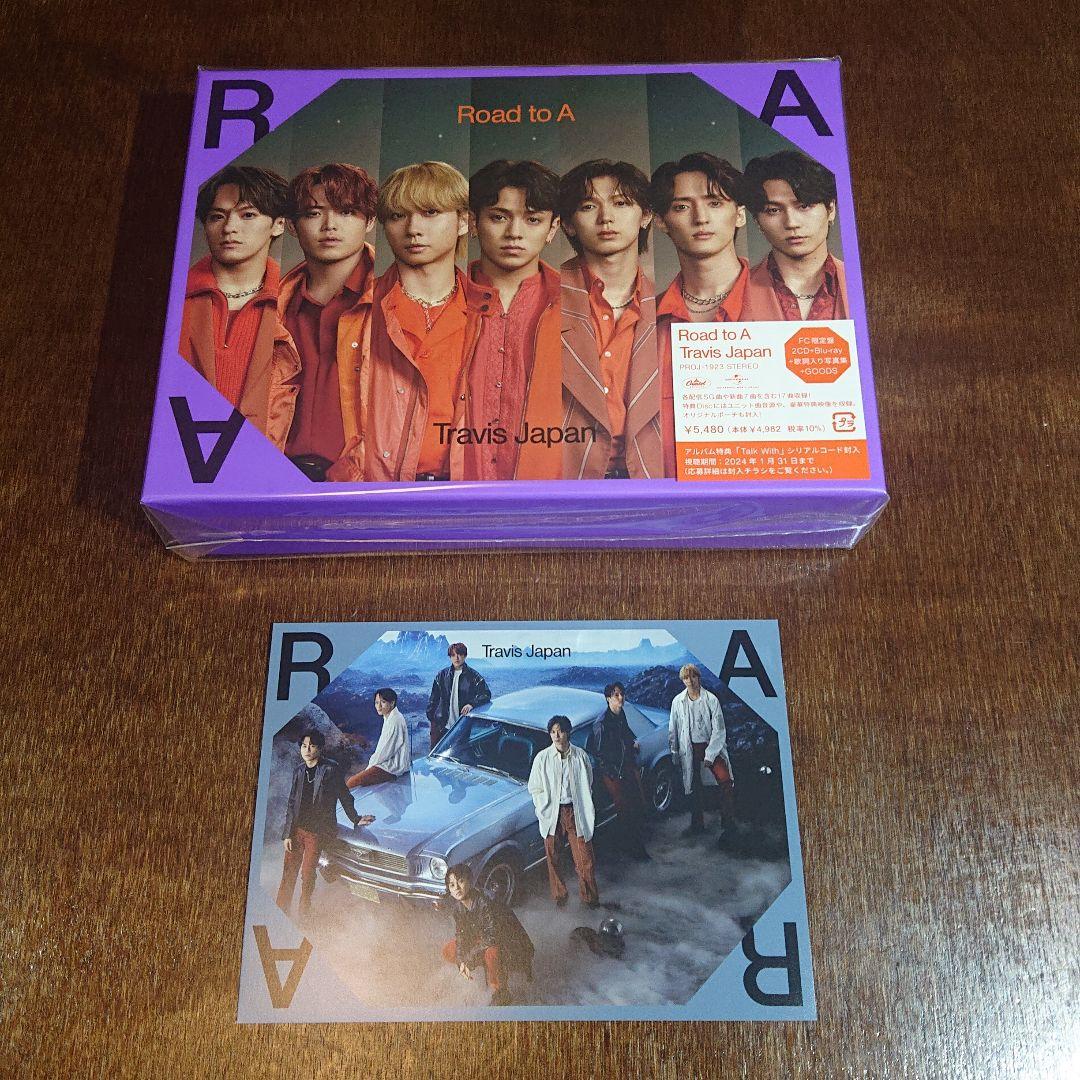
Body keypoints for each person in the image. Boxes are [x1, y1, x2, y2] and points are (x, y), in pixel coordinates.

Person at [366, 161, 484, 481]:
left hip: (467, 492)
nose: (413, 228)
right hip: (379, 491)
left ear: (464, 221)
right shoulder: (360, 310)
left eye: (430, 212)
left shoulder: (490, 313)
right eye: (397, 215)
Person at [179, 165, 302, 448]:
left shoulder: (294, 302)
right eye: (217, 216)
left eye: (247, 215)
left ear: (278, 224)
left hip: (261, 463)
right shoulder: (176, 302)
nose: (229, 228)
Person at [557, 160, 662, 480]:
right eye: (589, 206)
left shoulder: (667, 304)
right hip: (565, 480)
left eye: (621, 203)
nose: (606, 218)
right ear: (568, 224)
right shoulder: (544, 297)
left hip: (647, 480)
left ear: (646, 216)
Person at [461, 159, 564, 480]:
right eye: (498, 217)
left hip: (544, 491)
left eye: (533, 220)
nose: (514, 233)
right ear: (473, 222)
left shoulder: (575, 304)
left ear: (553, 228)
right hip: (457, 489)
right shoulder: (445, 297)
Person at [277, 163, 379, 481]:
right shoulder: (274, 305)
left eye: (346, 212)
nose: (330, 226)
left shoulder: (396, 298)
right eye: (313, 213)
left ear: (370, 221)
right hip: (278, 480)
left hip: (361, 483)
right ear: (291, 225)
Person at [651, 153, 750, 476]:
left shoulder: (782, 304)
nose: (701, 218)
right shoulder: (644, 323)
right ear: (661, 221)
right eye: (682, 207)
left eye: (715, 203)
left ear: (740, 214)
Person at [740, 150, 850, 321]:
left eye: (804, 206)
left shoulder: (860, 284)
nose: (791, 223)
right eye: (773, 210)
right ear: (757, 220)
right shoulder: (737, 294)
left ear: (831, 209)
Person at [276, 729, 373, 918]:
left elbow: (344, 795)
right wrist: (287, 833)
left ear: (320, 748)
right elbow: (291, 803)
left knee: (307, 874)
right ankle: (281, 911)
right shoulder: (299, 770)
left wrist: (355, 818)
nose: (307, 750)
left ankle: (304, 911)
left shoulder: (330, 769)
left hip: (316, 833)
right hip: (296, 831)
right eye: (304, 746)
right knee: (288, 872)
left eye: (312, 746)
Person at [528, 715, 600, 908]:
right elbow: (534, 787)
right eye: (553, 732)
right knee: (553, 857)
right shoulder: (542, 758)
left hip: (575, 811)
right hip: (553, 813)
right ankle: (560, 895)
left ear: (568, 732)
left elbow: (588, 782)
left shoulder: (580, 756)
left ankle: (590, 898)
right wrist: (543, 807)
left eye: (560, 731)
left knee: (584, 858)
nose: (557, 735)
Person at [439, 863, 535, 1006]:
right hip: (484, 939)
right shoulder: (458, 908)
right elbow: (461, 935)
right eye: (452, 885)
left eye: (460, 881)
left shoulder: (486, 901)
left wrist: (470, 957)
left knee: (491, 953)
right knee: (449, 950)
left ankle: (501, 992)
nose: (457, 888)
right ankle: (484, 967)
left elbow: (493, 937)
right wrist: (462, 961)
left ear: (470, 881)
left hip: (508, 941)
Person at [668, 664, 734, 840]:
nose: (690, 681)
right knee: (694, 785)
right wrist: (675, 752)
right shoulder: (677, 702)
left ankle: (728, 823)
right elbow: (673, 730)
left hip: (711, 745)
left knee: (725, 781)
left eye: (693, 676)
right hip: (689, 748)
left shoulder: (711, 699)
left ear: (698, 677)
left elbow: (719, 730)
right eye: (686, 678)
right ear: (683, 680)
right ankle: (697, 824)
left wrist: (710, 754)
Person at [585, 682, 650, 860]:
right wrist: (614, 774)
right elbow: (599, 755)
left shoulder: (620, 714)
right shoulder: (601, 724)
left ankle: (633, 843)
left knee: (637, 803)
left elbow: (625, 734)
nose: (620, 698)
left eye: (622, 694)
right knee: (625, 808)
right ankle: (633, 848)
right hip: (613, 772)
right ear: (608, 699)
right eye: (616, 695)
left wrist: (632, 742)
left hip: (626, 765)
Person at [426, 642, 491, 749]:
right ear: (450, 657)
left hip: (461, 726)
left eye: (460, 654)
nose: (457, 658)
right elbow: (433, 699)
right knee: (436, 754)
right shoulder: (441, 675)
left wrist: (471, 704)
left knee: (457, 753)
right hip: (441, 726)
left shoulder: (473, 676)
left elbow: (486, 694)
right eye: (453, 655)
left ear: (465, 655)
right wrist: (432, 719)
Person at [346, 687, 411, 788]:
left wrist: (369, 769)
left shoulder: (395, 721)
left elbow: (385, 752)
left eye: (383, 702)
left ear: (392, 703)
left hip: (392, 767)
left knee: (351, 782)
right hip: (390, 763)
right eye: (376, 703)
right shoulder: (390, 716)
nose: (379, 706)